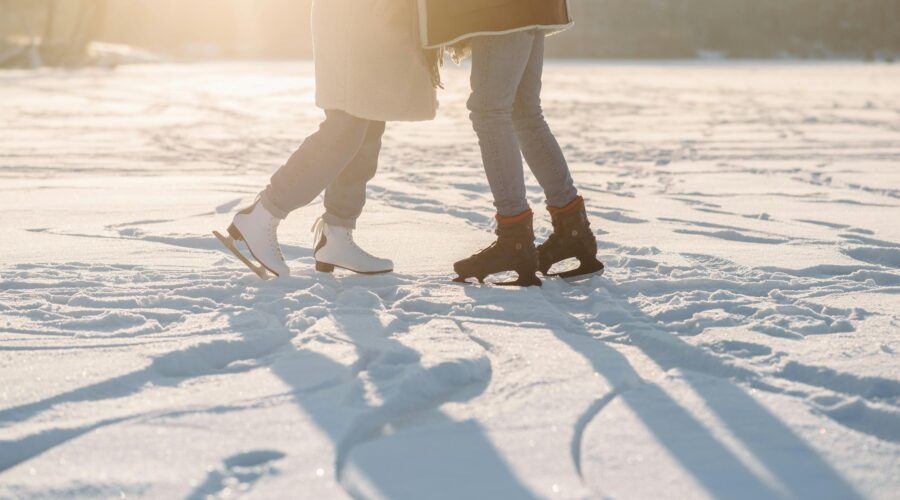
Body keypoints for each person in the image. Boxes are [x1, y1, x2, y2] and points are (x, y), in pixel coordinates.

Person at [215, 0, 438, 279]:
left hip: (379, 18)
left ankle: (337, 235)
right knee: (346, 126)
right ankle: (263, 214)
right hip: (353, 15)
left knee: (369, 121)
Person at [419, 0, 605, 286]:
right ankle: (572, 232)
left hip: (499, 10)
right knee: (525, 113)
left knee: (490, 113)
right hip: (532, 8)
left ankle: (514, 240)